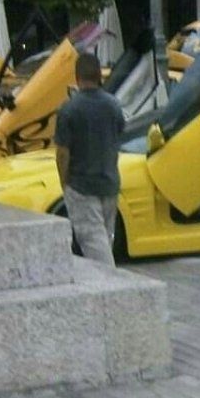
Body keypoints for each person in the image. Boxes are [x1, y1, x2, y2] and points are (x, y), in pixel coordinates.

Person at [55, 52, 126, 267]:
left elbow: (62, 153)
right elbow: (119, 135)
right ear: (99, 76)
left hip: (82, 186)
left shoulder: (69, 109)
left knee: (95, 246)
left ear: (77, 77)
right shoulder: (114, 105)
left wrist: (64, 182)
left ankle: (113, 287)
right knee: (105, 239)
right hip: (110, 185)